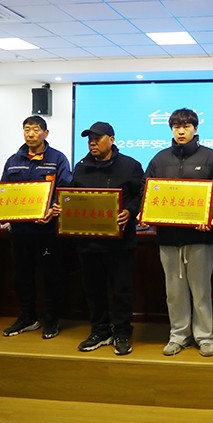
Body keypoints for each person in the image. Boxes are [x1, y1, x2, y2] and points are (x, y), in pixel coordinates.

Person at [52, 122, 143, 355]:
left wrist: (130, 211)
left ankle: (122, 333)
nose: (92, 143)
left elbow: (141, 195)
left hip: (120, 242)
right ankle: (100, 331)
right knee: (93, 289)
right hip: (88, 242)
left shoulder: (130, 166)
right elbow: (72, 196)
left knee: (121, 290)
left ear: (111, 139)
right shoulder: (81, 167)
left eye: (97, 138)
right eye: (89, 139)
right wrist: (61, 207)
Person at [143, 108, 213, 357]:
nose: (181, 131)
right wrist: (146, 213)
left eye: (186, 126)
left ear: (195, 129)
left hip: (200, 237)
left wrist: (210, 217)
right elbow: (147, 192)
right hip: (168, 238)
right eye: (176, 127)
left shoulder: (211, 158)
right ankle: (178, 335)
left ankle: (205, 337)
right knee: (174, 292)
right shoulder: (159, 159)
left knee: (201, 291)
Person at [0, 115, 72, 339]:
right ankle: (27, 317)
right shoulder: (13, 160)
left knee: (51, 277)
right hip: (20, 231)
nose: (30, 134)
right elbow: (4, 191)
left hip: (47, 231)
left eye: (35, 130)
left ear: (45, 133)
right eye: (27, 130)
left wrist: (53, 208)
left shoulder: (57, 159)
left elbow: (65, 191)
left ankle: (51, 319)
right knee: (21, 277)